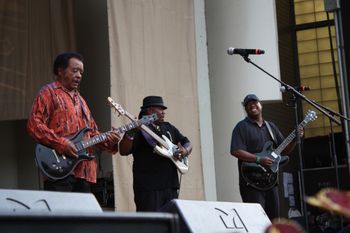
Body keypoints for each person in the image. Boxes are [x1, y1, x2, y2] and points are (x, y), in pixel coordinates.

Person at [27, 52, 120, 193]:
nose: (79, 75)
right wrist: (61, 143)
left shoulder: (81, 101)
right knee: (61, 214)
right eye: (75, 70)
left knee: (83, 215)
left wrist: (109, 141)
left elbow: (92, 134)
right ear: (60, 70)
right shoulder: (48, 93)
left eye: (81, 72)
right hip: (59, 168)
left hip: (84, 172)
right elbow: (34, 125)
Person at [230, 94, 302, 220]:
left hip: (270, 182)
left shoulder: (271, 127)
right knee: (257, 221)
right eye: (248, 104)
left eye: (255, 102)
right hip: (251, 183)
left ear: (261, 105)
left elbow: (284, 151)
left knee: (274, 221)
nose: (252, 105)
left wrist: (295, 139)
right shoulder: (241, 127)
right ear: (245, 109)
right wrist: (259, 159)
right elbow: (236, 151)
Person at [119, 96, 192, 212]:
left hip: (170, 186)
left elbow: (187, 142)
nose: (164, 112)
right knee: (150, 225)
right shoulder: (139, 128)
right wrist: (131, 132)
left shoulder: (168, 127)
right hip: (148, 188)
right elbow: (123, 151)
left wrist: (185, 150)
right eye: (160, 109)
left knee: (169, 224)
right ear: (150, 110)